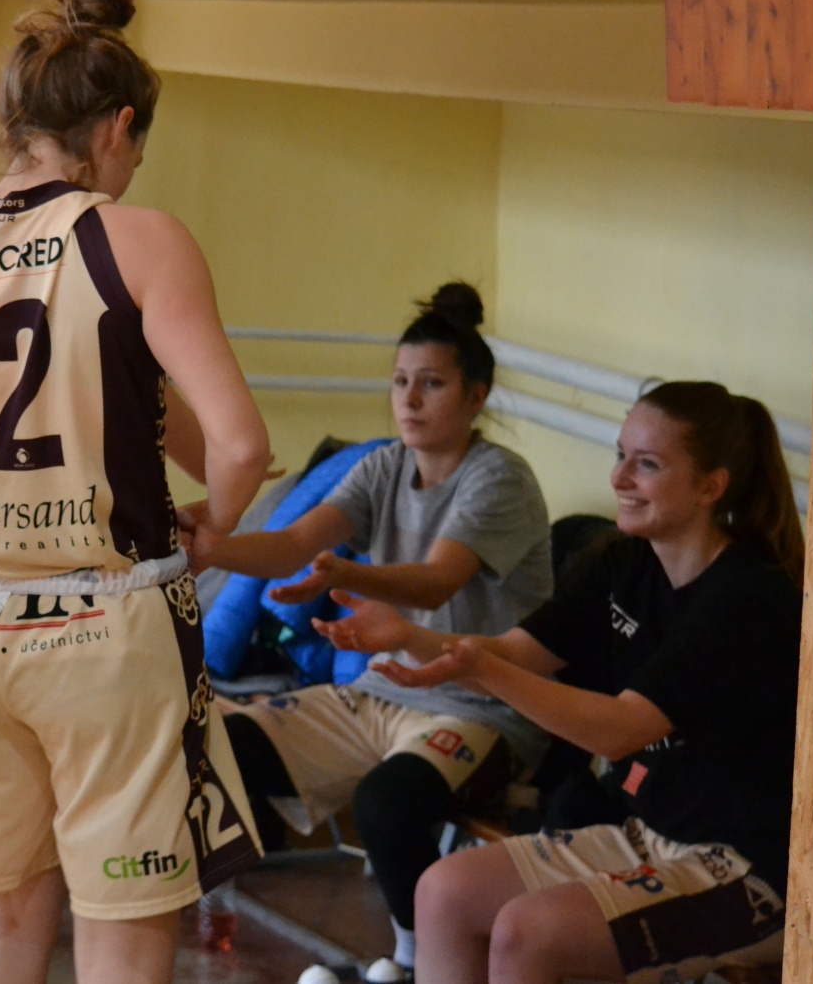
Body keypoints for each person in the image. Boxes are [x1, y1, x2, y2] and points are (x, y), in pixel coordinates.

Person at [0, 0, 272, 984]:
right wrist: (213, 527)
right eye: (137, 149)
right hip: (101, 629)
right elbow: (238, 446)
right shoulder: (137, 237)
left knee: (9, 925)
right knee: (124, 934)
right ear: (119, 127)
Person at [337, 381, 801, 984]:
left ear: (711, 486)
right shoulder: (622, 562)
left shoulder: (748, 596)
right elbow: (510, 654)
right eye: (620, 455)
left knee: (526, 934)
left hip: (744, 869)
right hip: (646, 832)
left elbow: (619, 730)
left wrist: (485, 669)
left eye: (648, 464)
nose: (619, 478)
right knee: (443, 891)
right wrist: (408, 635)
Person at [193, 283, 553, 984]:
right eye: (399, 382)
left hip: (477, 706)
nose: (409, 400)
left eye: (432, 384)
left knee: (386, 805)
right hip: (378, 692)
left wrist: (342, 573)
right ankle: (210, 901)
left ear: (476, 397)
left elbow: (435, 582)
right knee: (213, 747)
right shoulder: (384, 464)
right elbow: (292, 543)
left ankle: (415, 962)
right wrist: (207, 548)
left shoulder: (500, 479)